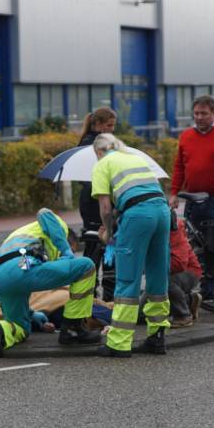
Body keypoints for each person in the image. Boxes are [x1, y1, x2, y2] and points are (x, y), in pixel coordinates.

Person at [92, 133, 171, 358]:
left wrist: (107, 231)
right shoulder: (135, 157)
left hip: (138, 216)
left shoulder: (102, 164)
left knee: (128, 278)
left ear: (98, 152)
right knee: (158, 275)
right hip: (162, 211)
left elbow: (106, 208)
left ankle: (119, 343)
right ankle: (157, 337)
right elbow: (138, 193)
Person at [0, 208, 99, 357]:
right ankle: (73, 329)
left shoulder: (26, 234)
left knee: (21, 327)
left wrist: (31, 314)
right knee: (86, 266)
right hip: (23, 264)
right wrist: (66, 251)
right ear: (69, 239)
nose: (71, 256)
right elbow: (44, 212)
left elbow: (20, 277)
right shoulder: (59, 227)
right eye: (73, 250)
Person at [169, 95, 214, 304]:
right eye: (196, 114)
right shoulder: (185, 137)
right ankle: (206, 294)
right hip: (192, 200)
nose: (199, 117)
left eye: (204, 114)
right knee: (195, 249)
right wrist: (174, 193)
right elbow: (179, 167)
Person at [77, 107, 118, 302]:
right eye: (109, 126)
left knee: (95, 249)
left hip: (90, 200)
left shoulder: (89, 142)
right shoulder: (94, 145)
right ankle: (106, 298)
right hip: (97, 202)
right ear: (99, 125)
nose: (112, 130)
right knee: (103, 246)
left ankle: (90, 295)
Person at [167, 215, 203, 328]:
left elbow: (179, 263)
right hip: (171, 271)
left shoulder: (174, 229)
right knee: (141, 315)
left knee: (164, 281)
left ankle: (183, 316)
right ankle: (190, 300)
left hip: (189, 271)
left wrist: (154, 268)